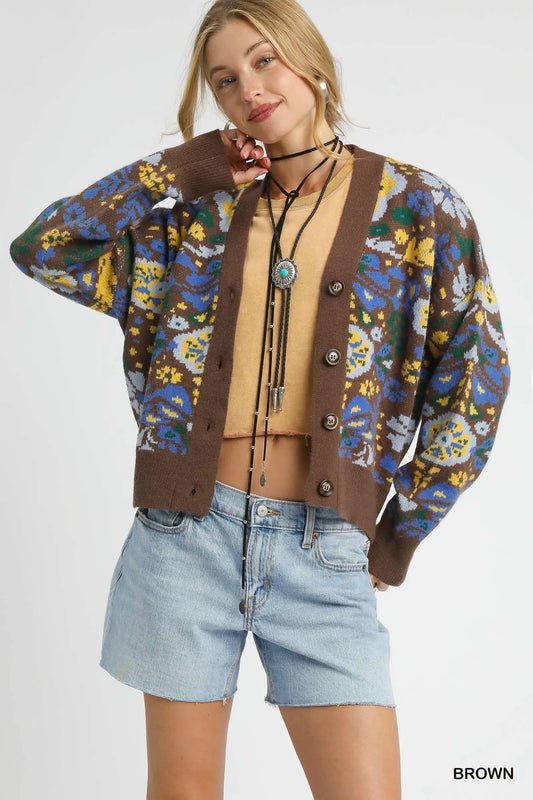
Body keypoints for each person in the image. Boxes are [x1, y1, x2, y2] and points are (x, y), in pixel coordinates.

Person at [9, 1, 510, 798]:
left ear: (310, 58)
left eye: (264, 59)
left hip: (324, 547)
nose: (247, 87)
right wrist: (179, 169)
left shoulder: (417, 209)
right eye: (224, 80)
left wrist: (398, 535)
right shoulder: (193, 222)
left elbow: (474, 383)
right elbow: (45, 248)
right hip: (183, 538)